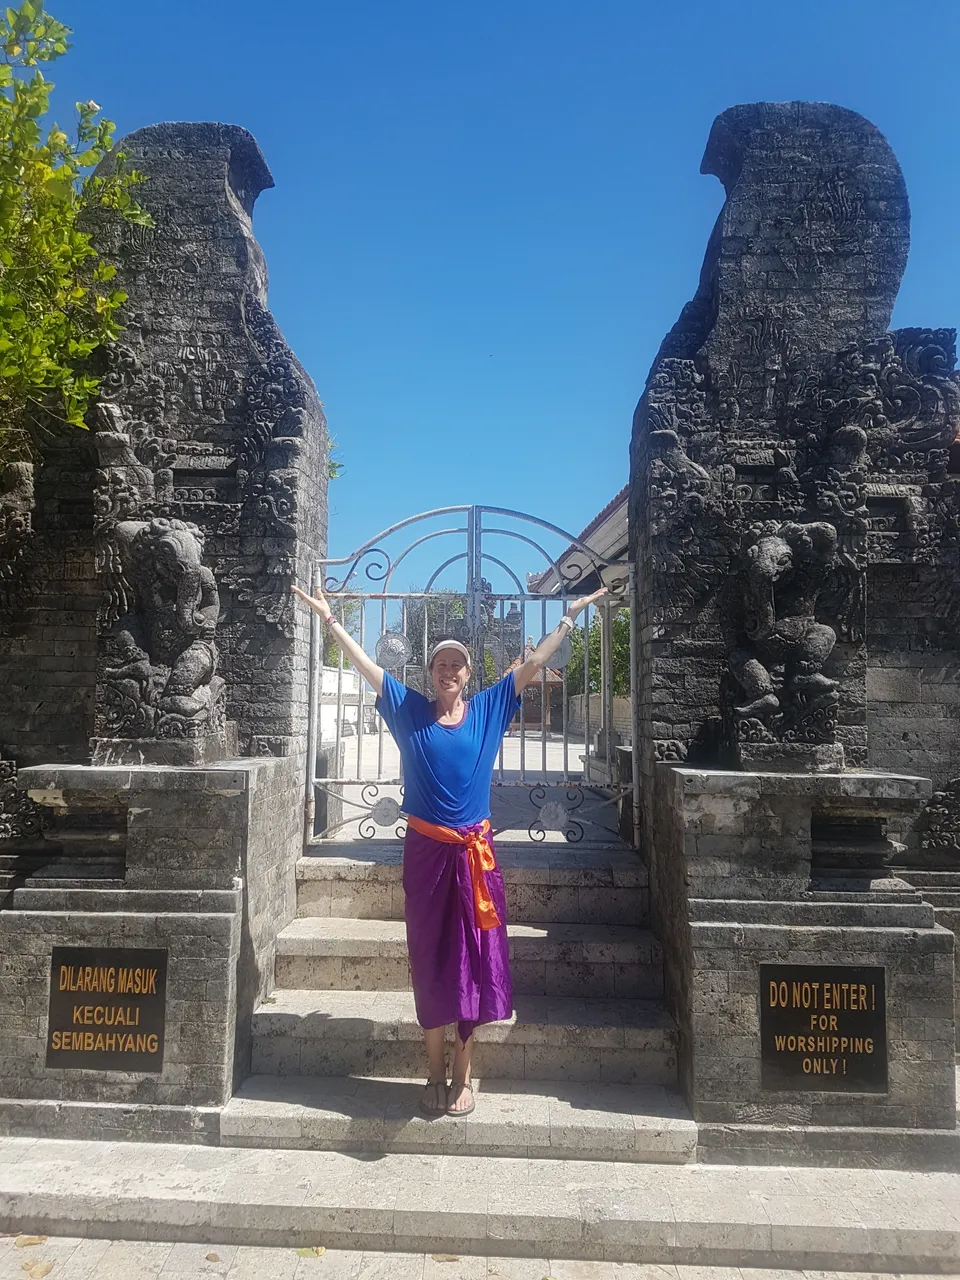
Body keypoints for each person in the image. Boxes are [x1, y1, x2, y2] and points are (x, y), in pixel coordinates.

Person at [292, 581, 607, 1116]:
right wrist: (331, 621)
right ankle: (432, 1071)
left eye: (457, 664)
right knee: (432, 960)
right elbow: (369, 668)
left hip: (475, 860)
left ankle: (463, 1074)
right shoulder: (408, 711)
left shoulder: (487, 710)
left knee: (474, 964)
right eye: (441, 663)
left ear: (467, 673)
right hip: (427, 858)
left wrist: (569, 619)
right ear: (430, 672)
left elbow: (530, 668)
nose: (449, 671)